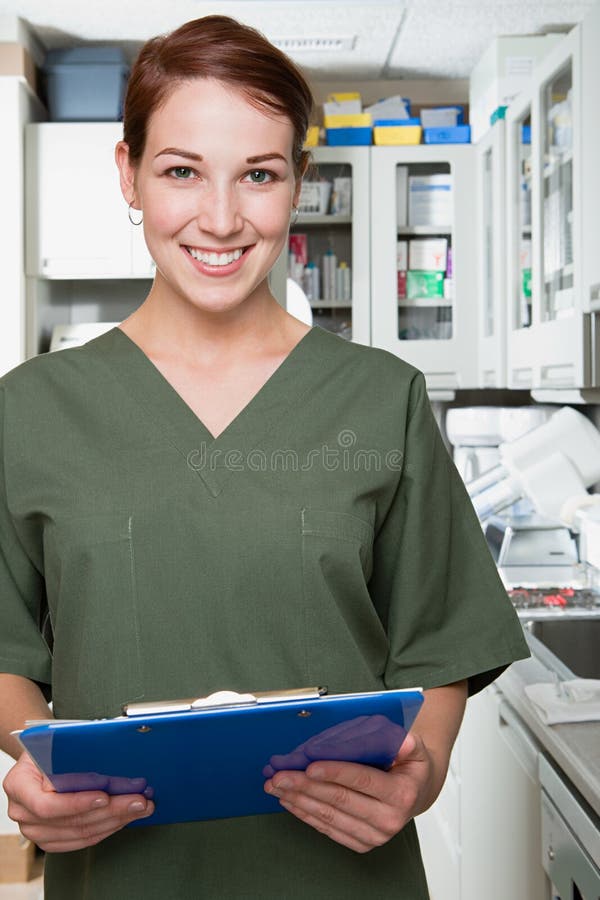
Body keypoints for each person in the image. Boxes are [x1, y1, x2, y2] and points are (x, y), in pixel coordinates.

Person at [0, 15, 529, 899]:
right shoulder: (31, 411)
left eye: (258, 174)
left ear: (295, 185)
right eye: (181, 171)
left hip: (343, 875)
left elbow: (442, 647)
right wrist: (30, 762)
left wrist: (421, 774)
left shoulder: (379, 399)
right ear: (128, 175)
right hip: (121, 876)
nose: (220, 218)